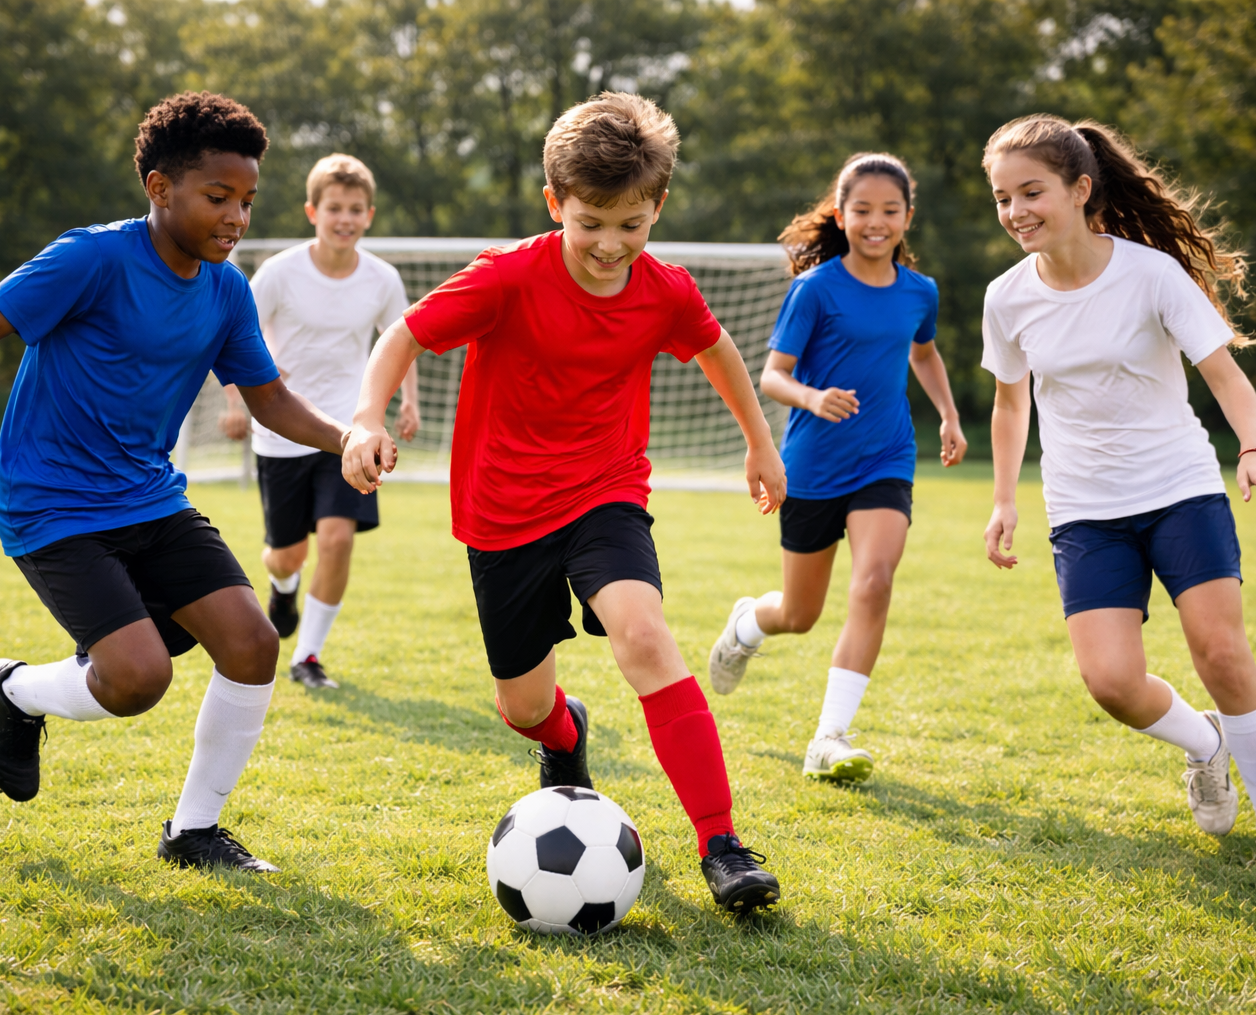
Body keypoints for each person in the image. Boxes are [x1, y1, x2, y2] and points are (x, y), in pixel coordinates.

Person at [0, 92, 355, 873]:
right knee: (137, 680)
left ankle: (193, 833)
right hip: (52, 505)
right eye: (218, 197)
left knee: (253, 643)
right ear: (159, 188)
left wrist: (347, 438)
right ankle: (15, 692)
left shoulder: (226, 289)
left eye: (247, 200)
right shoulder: (91, 258)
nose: (236, 217)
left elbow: (267, 398)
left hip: (151, 498)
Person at [343, 92, 788, 914]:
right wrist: (367, 417)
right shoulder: (508, 276)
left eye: (631, 225)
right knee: (524, 707)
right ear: (555, 204)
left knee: (645, 637)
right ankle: (565, 733)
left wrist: (760, 444)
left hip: (604, 490)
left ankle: (722, 845)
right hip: (502, 511)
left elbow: (717, 349)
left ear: (657, 208)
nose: (611, 245)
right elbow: (403, 335)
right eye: (591, 224)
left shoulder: (664, 290)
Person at [980, 114, 1256, 876]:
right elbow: (1010, 403)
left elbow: (1224, 374)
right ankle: (1206, 743)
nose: (1015, 212)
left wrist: (1255, 451)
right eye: (1002, 198)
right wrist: (1004, 499)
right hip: (1084, 510)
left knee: (1221, 652)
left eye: (1031, 192)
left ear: (1080, 188)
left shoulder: (1152, 274)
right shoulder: (1006, 297)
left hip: (1179, 489)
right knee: (1111, 683)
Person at [707, 153, 967, 784]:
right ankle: (747, 624)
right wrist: (813, 397)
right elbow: (773, 376)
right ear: (841, 215)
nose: (877, 222)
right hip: (814, 467)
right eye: (863, 210)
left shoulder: (920, 291)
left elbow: (924, 353)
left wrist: (949, 415)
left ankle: (830, 737)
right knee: (799, 614)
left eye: (890, 210)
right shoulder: (815, 289)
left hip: (886, 458)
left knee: (874, 582)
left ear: (907, 217)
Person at [218, 153, 419, 689]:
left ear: (368, 215)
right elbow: (235, 335)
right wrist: (236, 403)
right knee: (287, 554)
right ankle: (283, 588)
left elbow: (402, 342)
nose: (344, 219)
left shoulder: (382, 279)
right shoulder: (279, 273)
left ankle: (307, 656)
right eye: (334, 208)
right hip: (281, 431)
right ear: (313, 212)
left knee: (336, 539)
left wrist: (408, 402)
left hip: (349, 432)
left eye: (355, 209)